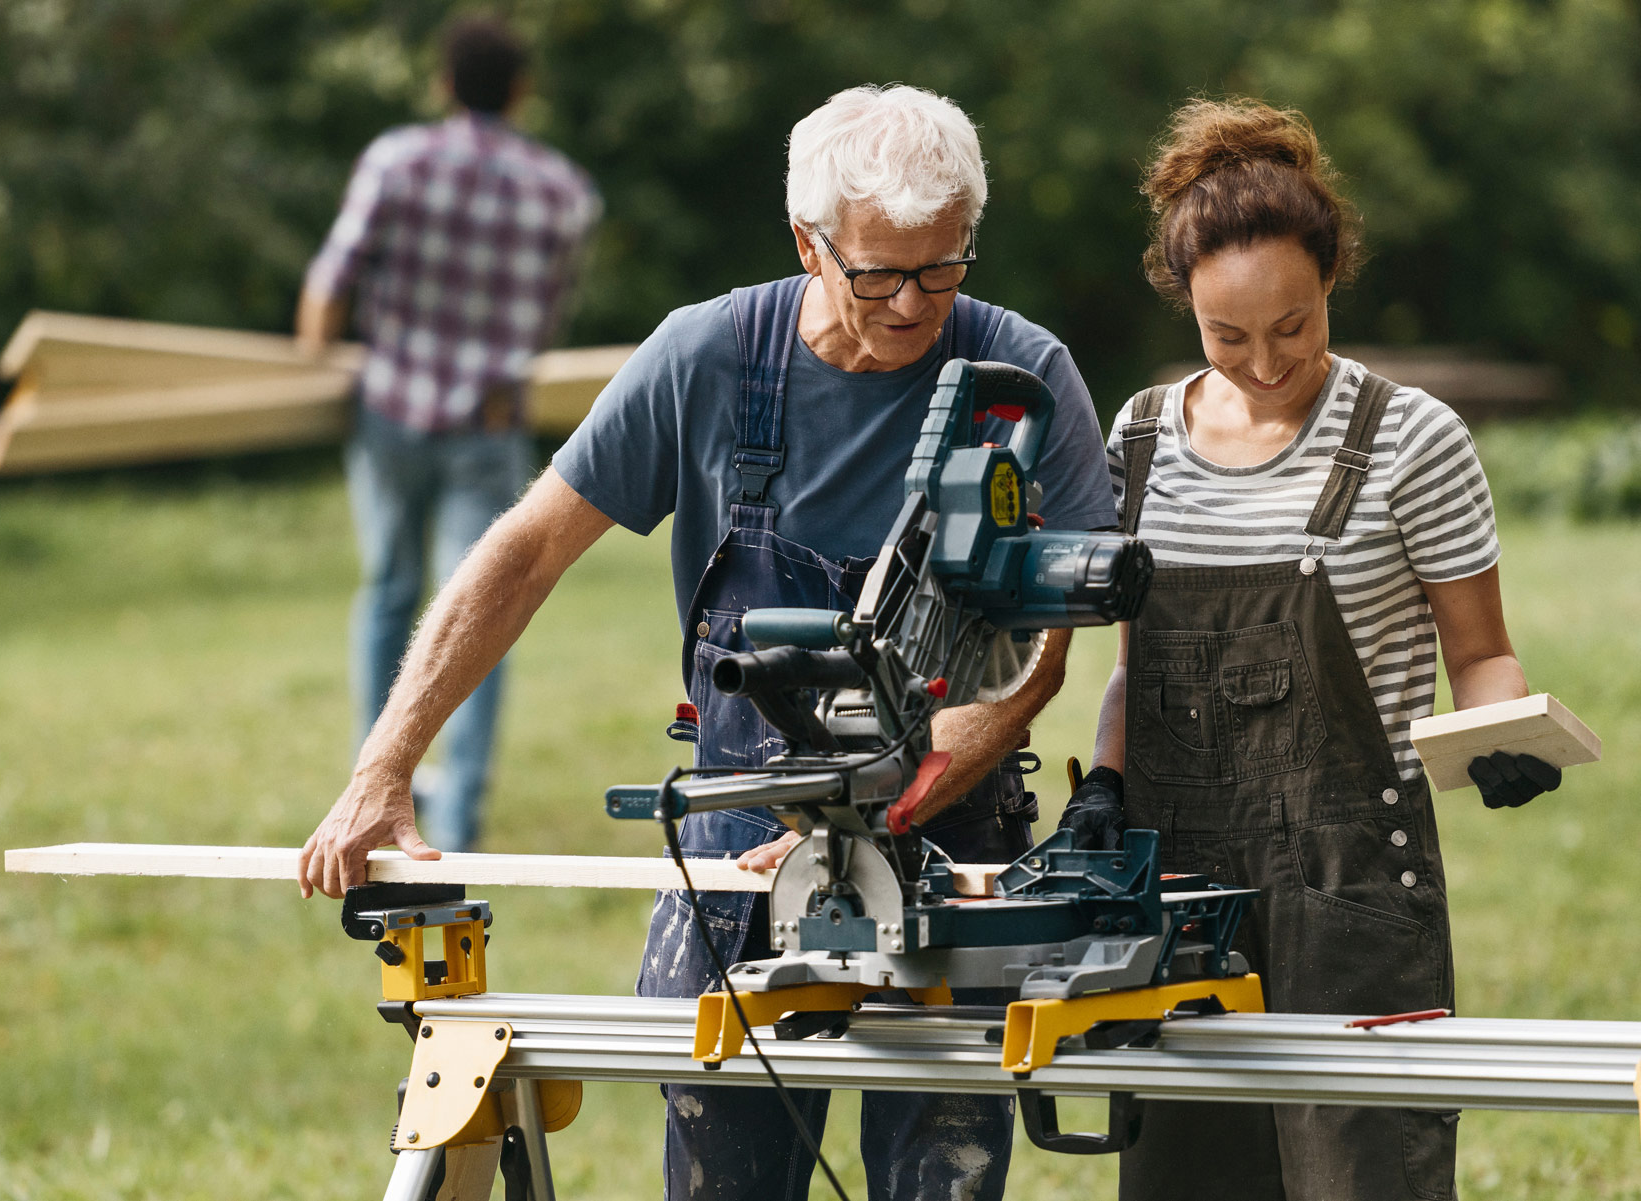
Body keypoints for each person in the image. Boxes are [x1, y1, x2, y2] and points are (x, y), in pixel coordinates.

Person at [302, 83, 1117, 1201]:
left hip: (944, 838)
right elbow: (524, 551)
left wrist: (867, 818)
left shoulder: (1021, 380)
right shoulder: (709, 358)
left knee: (943, 1175)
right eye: (877, 271)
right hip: (740, 844)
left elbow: (1033, 661)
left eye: (942, 266)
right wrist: (384, 763)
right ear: (806, 241)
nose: (912, 303)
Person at [1057, 98, 1561, 1201]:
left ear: (1329, 276)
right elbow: (1137, 667)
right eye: (1224, 336)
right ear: (1182, 302)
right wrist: (1102, 779)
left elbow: (1478, 650)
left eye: (1290, 326)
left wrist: (1493, 735)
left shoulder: (1411, 439)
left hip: (1347, 887)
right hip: (1176, 886)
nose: (1263, 361)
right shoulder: (1137, 436)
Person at [297, 17, 599, 853]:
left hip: (388, 409)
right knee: (482, 608)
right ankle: (455, 817)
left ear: (442, 82)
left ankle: (373, 786)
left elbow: (330, 284)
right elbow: (546, 316)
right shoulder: (563, 191)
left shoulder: (397, 159)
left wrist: (315, 360)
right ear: (520, 90)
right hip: (488, 422)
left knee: (390, 590)